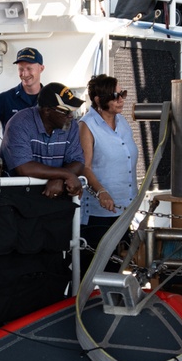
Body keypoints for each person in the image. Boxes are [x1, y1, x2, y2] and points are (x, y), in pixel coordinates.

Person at [78, 75, 138, 269]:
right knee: (93, 270)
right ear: (98, 100)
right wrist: (102, 192)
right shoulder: (87, 125)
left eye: (123, 94)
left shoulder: (123, 123)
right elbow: (84, 167)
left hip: (124, 210)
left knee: (117, 271)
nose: (121, 99)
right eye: (115, 95)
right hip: (99, 214)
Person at [0, 82, 86, 199]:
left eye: (73, 111)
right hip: (16, 198)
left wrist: (60, 178)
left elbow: (78, 162)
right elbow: (24, 167)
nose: (71, 116)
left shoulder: (71, 125)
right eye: (66, 111)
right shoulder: (19, 123)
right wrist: (66, 174)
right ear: (47, 111)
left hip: (54, 195)